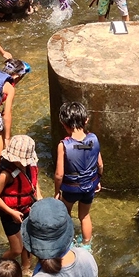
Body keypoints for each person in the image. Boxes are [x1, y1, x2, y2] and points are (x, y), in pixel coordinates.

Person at [0, 135, 41, 271]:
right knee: (17, 249)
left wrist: (39, 198)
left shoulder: (30, 166)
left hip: (27, 209)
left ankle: (25, 268)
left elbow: (33, 182)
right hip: (9, 213)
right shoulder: (6, 174)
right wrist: (11, 212)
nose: (23, 163)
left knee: (28, 243)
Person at [55, 101, 103, 247]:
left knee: (66, 215)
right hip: (89, 186)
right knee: (84, 216)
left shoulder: (63, 145)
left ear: (64, 123)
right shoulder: (93, 139)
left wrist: (57, 192)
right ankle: (87, 246)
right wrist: (98, 180)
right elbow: (100, 164)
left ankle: (67, 243)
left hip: (71, 189)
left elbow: (59, 174)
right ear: (86, 120)